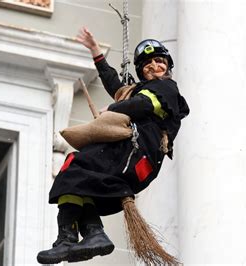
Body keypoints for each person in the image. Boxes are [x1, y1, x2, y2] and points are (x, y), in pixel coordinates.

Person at [37, 27, 189, 264]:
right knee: (76, 176)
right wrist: (95, 50)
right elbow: (115, 86)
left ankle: (80, 235)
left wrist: (114, 109)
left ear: (168, 66)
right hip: (129, 157)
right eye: (148, 64)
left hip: (137, 155)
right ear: (141, 70)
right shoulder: (136, 91)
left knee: (76, 165)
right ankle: (83, 235)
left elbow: (144, 104)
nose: (155, 66)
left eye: (159, 62)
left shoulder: (167, 89)